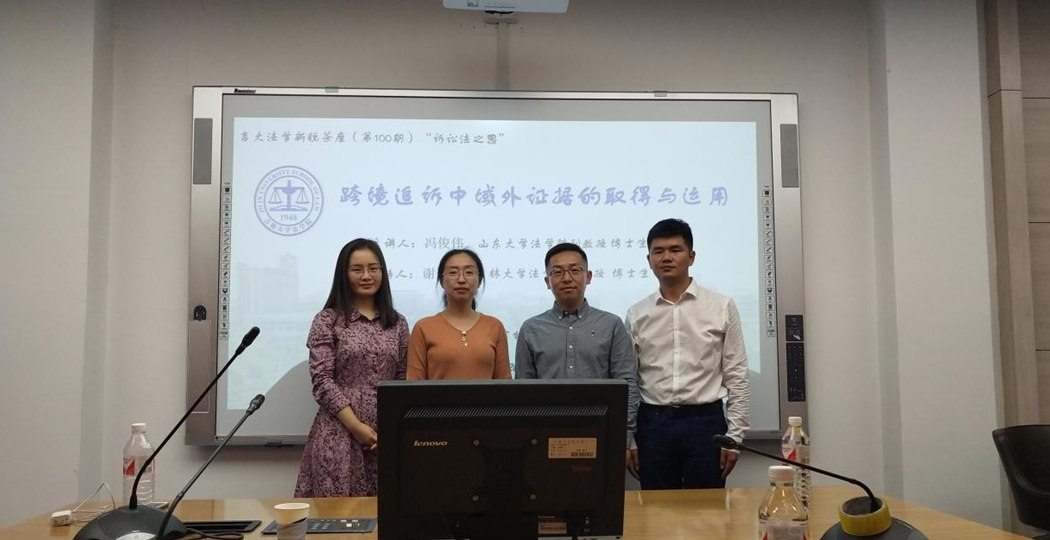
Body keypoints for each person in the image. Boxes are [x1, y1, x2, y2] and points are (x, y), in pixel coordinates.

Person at [625, 218, 751, 489]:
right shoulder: (637, 313)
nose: (666, 257)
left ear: (691, 257)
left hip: (706, 424)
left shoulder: (721, 306)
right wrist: (629, 439)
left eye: (675, 250)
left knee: (707, 510)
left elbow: (737, 374)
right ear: (649, 260)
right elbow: (630, 381)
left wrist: (735, 436)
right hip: (653, 425)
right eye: (658, 251)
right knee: (656, 510)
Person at [295, 239, 409, 497]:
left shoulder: (398, 323)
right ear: (344, 274)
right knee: (337, 515)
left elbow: (402, 379)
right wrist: (356, 427)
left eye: (373, 268)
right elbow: (322, 381)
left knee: (387, 512)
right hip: (339, 433)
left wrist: (390, 430)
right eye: (357, 269)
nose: (366, 276)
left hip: (385, 437)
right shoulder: (327, 320)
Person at [516, 243, 641, 476]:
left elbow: (627, 384)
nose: (567, 278)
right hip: (545, 437)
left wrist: (623, 438)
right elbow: (523, 392)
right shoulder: (531, 328)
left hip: (601, 435)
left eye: (575, 270)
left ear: (588, 276)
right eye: (557, 272)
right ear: (547, 281)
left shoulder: (611, 325)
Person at [407, 249, 511, 380]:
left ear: (479, 281)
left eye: (469, 272)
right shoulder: (423, 328)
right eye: (453, 272)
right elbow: (414, 384)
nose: (461, 279)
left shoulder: (495, 326)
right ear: (441, 281)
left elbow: (504, 383)